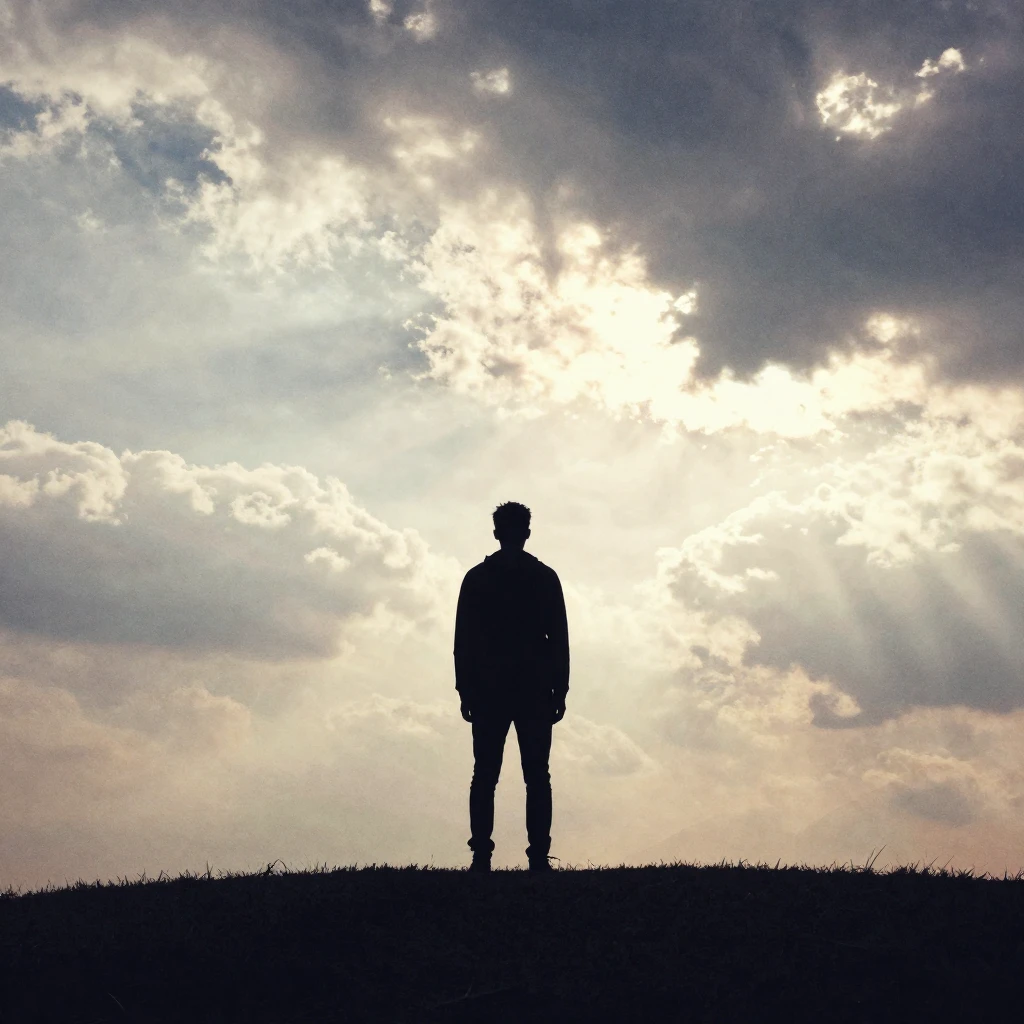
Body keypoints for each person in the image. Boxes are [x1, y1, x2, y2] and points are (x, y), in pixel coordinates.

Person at [454, 501, 570, 873]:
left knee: (484, 773)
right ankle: (538, 857)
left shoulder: (477, 578)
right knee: (537, 774)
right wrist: (560, 688)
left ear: (496, 533)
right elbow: (560, 638)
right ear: (527, 533)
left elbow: (464, 639)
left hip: (488, 687)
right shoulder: (545, 577)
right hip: (534, 686)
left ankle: (481, 856)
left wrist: (465, 688)